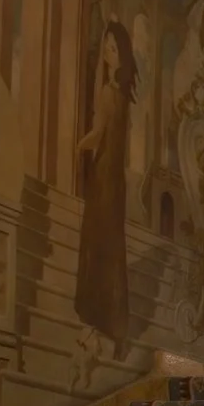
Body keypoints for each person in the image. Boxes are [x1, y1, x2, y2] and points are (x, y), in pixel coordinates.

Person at [74, 18, 137, 342]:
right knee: (111, 245)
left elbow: (97, 135)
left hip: (103, 176)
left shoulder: (107, 93)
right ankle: (112, 322)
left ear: (121, 56)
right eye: (107, 47)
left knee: (98, 242)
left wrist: (76, 143)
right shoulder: (124, 98)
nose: (108, 54)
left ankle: (94, 313)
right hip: (116, 181)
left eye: (113, 49)